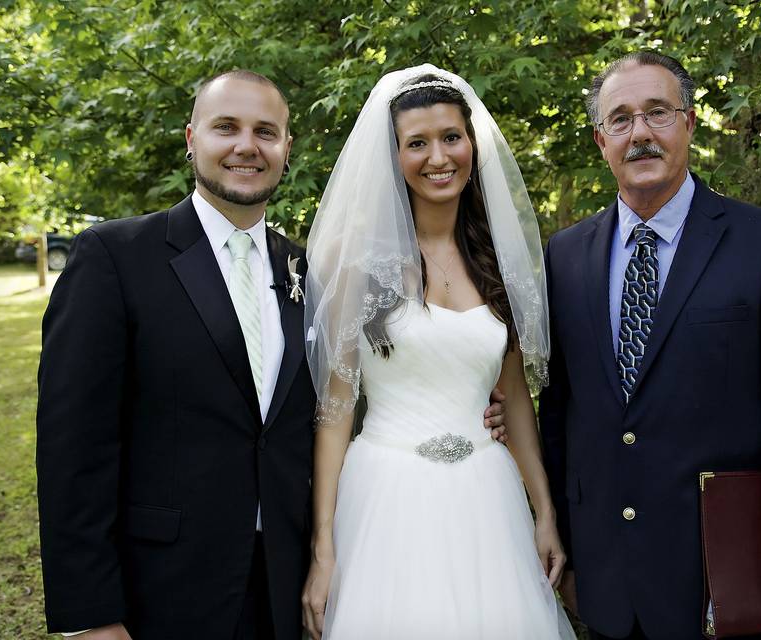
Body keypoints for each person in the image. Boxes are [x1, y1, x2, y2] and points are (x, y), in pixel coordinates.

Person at [35, 69, 508, 640]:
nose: (246, 146)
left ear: (286, 148)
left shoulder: (311, 274)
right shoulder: (116, 257)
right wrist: (91, 617)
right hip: (164, 588)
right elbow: (73, 448)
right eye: (226, 127)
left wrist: (473, 409)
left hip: (286, 583)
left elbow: (348, 396)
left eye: (265, 131)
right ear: (192, 139)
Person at [539, 51, 761, 640]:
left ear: (688, 123)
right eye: (621, 119)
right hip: (609, 590)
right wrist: (574, 557)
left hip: (726, 586)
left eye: (657, 113)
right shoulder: (565, 256)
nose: (640, 134)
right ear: (599, 139)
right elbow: (562, 413)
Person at [300, 64, 576, 640]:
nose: (438, 157)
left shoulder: (497, 264)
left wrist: (543, 510)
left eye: (451, 137)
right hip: (387, 496)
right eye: (416, 143)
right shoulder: (356, 271)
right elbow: (334, 416)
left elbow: (518, 402)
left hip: (487, 496)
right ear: (393, 158)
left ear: (471, 143)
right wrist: (323, 548)